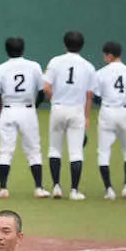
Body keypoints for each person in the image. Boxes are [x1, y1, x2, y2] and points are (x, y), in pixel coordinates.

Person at [0, 37, 49, 199]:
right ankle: (38, 188)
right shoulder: (34, 66)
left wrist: (2, 109)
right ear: (23, 49)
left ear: (7, 50)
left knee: (5, 150)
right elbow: (42, 92)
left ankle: (2, 188)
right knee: (34, 150)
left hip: (8, 109)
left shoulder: (0, 69)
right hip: (28, 110)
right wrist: (33, 107)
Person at [44, 31, 97, 200]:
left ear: (65, 44)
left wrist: (54, 101)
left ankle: (56, 187)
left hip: (58, 107)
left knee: (54, 149)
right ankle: (74, 190)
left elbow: (46, 87)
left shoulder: (55, 61)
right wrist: (87, 116)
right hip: (77, 110)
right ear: (81, 45)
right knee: (76, 152)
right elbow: (90, 95)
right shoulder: (88, 66)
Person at [94, 42, 126, 200]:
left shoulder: (100, 73)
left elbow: (96, 97)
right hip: (124, 110)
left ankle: (109, 189)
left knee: (103, 151)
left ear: (110, 55)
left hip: (107, 110)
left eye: (105, 55)